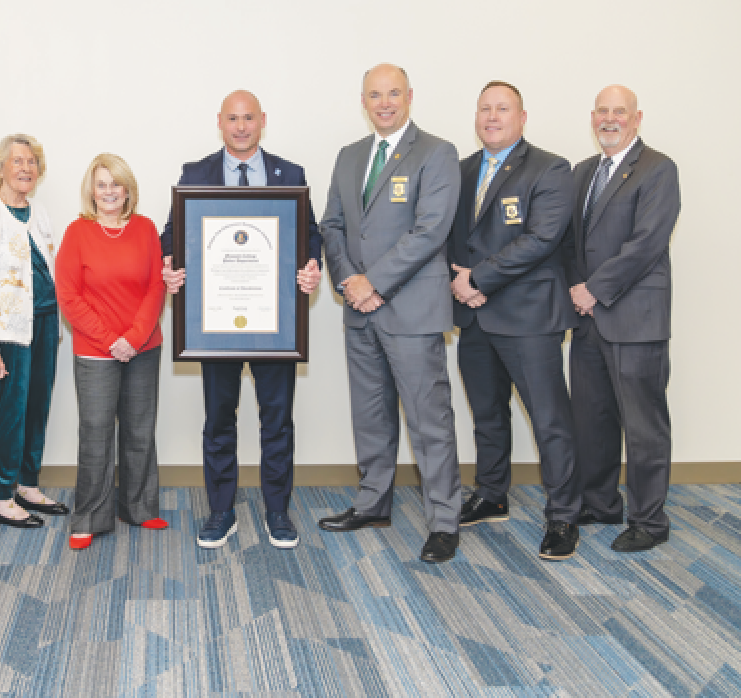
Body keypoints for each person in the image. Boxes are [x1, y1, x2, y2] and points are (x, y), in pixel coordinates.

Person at [161, 90, 322, 550]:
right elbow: (171, 233)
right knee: (219, 420)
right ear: (220, 122)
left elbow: (309, 234)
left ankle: (277, 511)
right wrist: (169, 262)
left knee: (278, 421)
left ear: (262, 120)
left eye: (248, 118)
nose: (241, 126)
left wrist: (312, 267)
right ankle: (221, 510)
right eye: (232, 118)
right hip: (214, 326)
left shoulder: (289, 174)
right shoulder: (196, 174)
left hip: (275, 324)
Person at [316, 64, 463, 563]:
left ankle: (444, 520)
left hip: (412, 310)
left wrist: (373, 282)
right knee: (370, 415)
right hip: (360, 312)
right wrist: (349, 282)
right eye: (375, 95)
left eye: (393, 93)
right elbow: (331, 225)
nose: (384, 103)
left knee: (429, 420)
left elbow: (431, 230)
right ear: (364, 100)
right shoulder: (350, 155)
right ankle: (373, 502)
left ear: (409, 96)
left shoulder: (437, 153)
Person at [448, 81, 581, 560]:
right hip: (475, 317)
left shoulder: (550, 168)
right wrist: (462, 283)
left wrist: (479, 279)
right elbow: (446, 237)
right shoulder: (461, 170)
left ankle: (564, 515)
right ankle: (491, 494)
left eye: (502, 108)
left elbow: (541, 239)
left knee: (550, 421)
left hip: (528, 316)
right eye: (484, 108)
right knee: (487, 414)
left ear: (522, 116)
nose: (492, 116)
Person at [562, 85, 681, 552]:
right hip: (588, 319)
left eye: (619, 112)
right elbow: (572, 242)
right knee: (592, 418)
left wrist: (593, 289)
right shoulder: (583, 171)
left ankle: (650, 521)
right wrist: (577, 292)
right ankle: (601, 502)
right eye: (602, 112)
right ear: (593, 117)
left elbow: (647, 243)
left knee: (643, 425)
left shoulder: (658, 169)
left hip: (634, 319)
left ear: (637, 118)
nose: (609, 119)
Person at [56, 154, 168, 550]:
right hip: (96, 351)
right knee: (96, 435)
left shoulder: (146, 228)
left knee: (139, 431)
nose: (109, 191)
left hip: (143, 348)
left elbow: (157, 287)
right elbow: (68, 296)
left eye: (115, 184)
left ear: (127, 190)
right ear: (92, 190)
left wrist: (134, 338)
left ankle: (138, 506)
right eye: (101, 184)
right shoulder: (77, 232)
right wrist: (111, 340)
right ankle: (88, 517)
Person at [0, 134, 68, 528]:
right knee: (12, 410)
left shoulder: (39, 213)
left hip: (43, 324)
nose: (25, 168)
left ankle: (27, 481)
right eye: (17, 161)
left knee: (38, 405)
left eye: (32, 162)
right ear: (0, 168)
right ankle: (1, 495)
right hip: (7, 333)